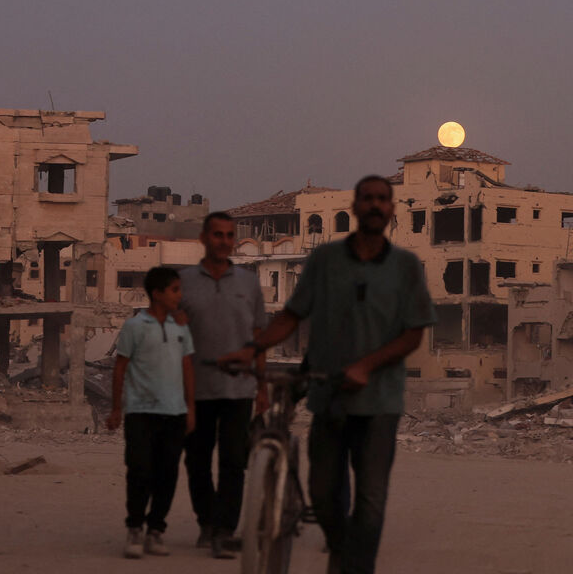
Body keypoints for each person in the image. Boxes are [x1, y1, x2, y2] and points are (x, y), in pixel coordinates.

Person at [224, 175, 436, 574]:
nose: (375, 205)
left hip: (379, 402)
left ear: (392, 210)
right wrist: (254, 349)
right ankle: (340, 551)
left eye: (382, 199)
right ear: (354, 208)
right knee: (323, 495)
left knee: (371, 503)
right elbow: (291, 315)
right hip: (328, 396)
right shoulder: (324, 260)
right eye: (367, 198)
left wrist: (366, 366)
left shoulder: (406, 266)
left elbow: (413, 334)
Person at [179, 212, 268, 559]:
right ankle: (206, 523)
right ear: (204, 238)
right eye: (217, 234)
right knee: (197, 461)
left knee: (234, 460)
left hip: (239, 390)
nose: (224, 241)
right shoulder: (183, 282)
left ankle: (225, 528)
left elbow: (258, 336)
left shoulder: (249, 283)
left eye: (230, 235)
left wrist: (261, 387)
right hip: (195, 390)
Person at [106, 266, 196, 559]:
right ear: (157, 294)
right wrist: (117, 407)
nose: (179, 296)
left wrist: (191, 407)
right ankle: (135, 527)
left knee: (167, 473)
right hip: (140, 411)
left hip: (174, 412)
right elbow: (120, 367)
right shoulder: (134, 326)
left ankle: (156, 529)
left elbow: (187, 367)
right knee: (140, 470)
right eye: (175, 290)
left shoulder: (181, 327)